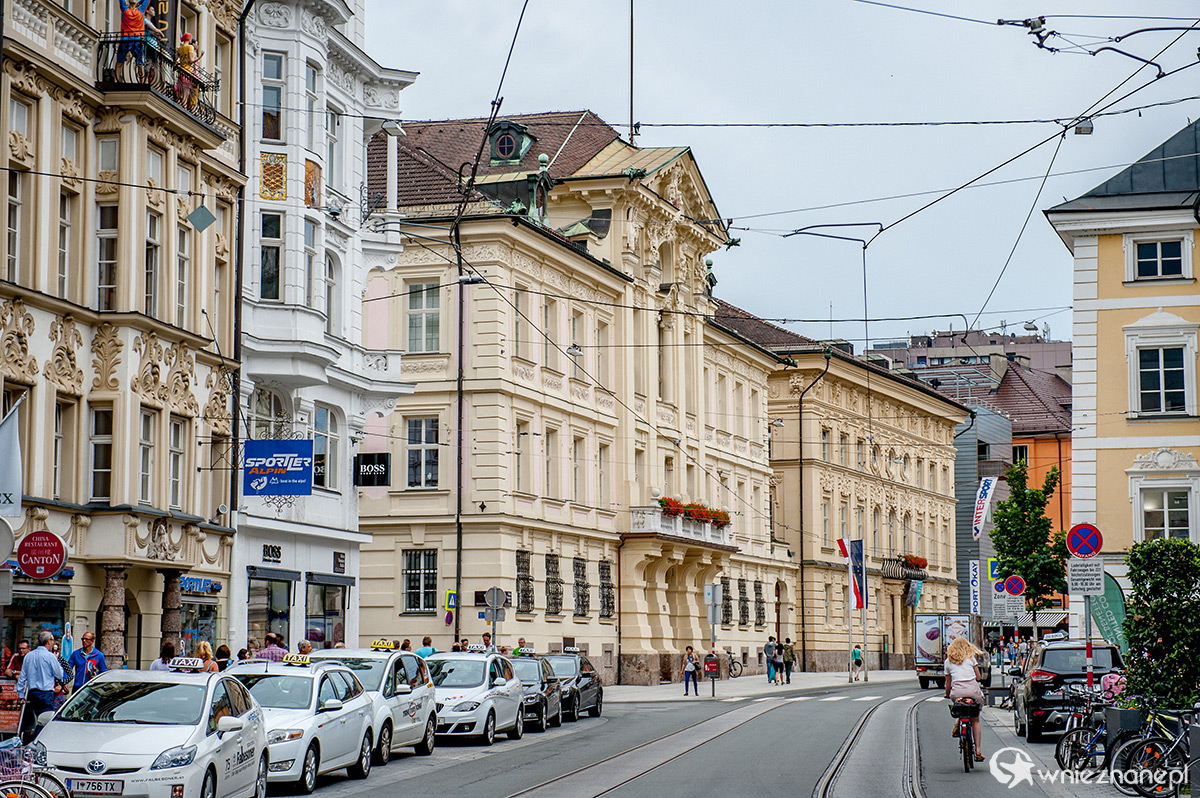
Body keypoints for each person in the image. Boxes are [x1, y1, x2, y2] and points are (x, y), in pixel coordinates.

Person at [944, 636, 986, 762]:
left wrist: (948, 694)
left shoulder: (948, 662)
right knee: (975, 719)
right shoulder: (971, 659)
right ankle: (978, 750)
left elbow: (948, 682)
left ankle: (957, 721)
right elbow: (978, 677)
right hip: (972, 691)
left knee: (959, 704)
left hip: (957, 692)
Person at [17, 631, 64, 717]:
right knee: (45, 720)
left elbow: (22, 676)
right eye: (53, 640)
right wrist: (56, 660)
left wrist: (20, 693)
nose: (53, 643)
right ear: (48, 641)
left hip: (33, 693)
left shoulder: (29, 656)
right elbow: (60, 674)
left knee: (38, 718)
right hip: (46, 693)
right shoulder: (50, 656)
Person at [116, 0, 152, 77]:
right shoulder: (140, 10)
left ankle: (116, 79)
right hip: (136, 39)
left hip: (127, 39)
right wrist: (139, 2)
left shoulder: (126, 9)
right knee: (139, 62)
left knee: (121, 62)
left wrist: (139, 2)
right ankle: (142, 81)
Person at [50, 641, 74, 710]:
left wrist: (62, 685)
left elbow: (71, 675)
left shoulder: (61, 660)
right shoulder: (46, 659)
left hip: (58, 689)